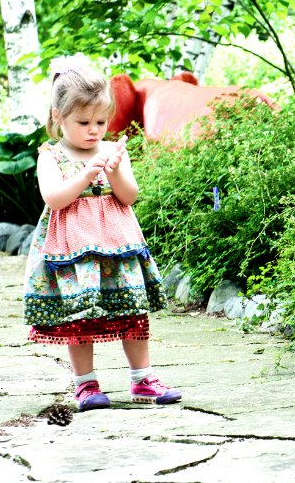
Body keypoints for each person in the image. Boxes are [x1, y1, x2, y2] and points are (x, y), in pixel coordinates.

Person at [22, 55, 181, 411]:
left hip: (118, 245)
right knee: (80, 314)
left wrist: (113, 172)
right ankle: (85, 384)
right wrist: (83, 175)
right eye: (83, 122)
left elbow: (129, 196)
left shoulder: (111, 150)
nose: (94, 130)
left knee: (132, 311)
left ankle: (143, 379)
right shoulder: (52, 154)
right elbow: (54, 198)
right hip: (73, 250)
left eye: (101, 121)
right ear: (58, 117)